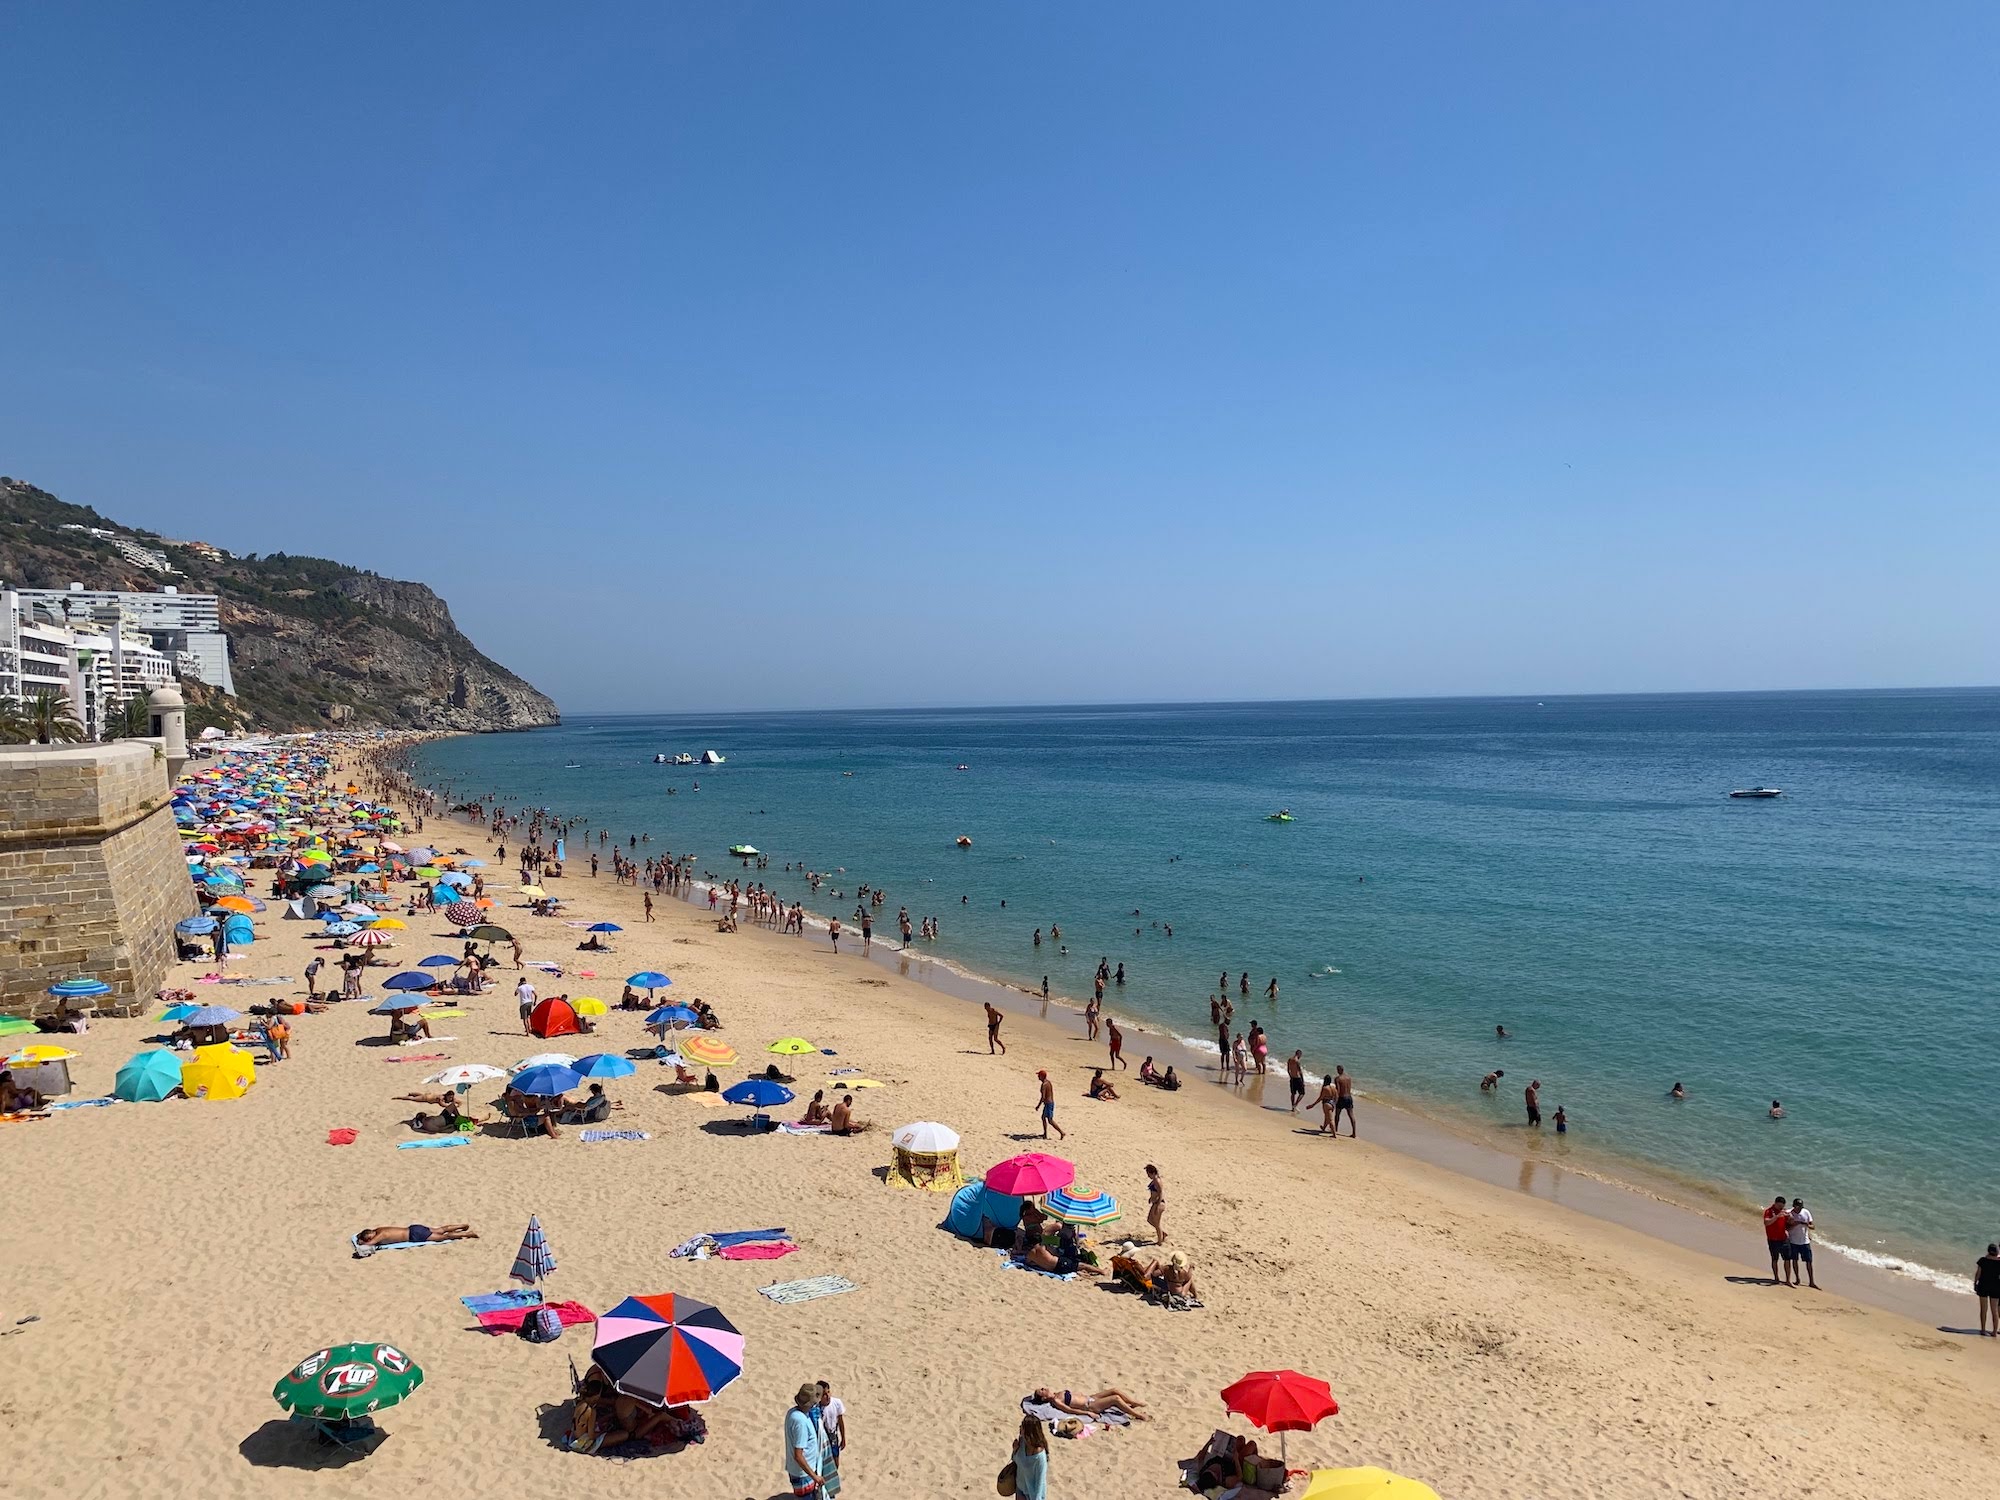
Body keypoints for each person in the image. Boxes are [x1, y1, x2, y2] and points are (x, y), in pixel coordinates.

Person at [784, 1382, 826, 1496]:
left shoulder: (792, 1412)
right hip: (803, 1475)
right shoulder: (800, 1422)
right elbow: (798, 1455)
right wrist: (814, 1476)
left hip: (801, 1472)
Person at [1031, 1386, 1150, 1419]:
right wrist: (1088, 1414)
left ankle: (1133, 1402)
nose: (1044, 1388)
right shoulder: (1056, 1401)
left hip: (1090, 1398)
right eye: (1042, 1391)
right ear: (1043, 1398)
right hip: (1090, 1406)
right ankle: (1137, 1415)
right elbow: (1069, 1410)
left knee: (1114, 1390)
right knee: (1115, 1399)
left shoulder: (1056, 1394)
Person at [816, 1380, 847, 1493]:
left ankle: (831, 1484)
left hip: (833, 1435)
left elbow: (840, 1421)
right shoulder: (817, 1408)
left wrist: (843, 1438)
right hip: (822, 1438)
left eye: (828, 1392)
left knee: (835, 1460)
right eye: (824, 1394)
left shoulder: (836, 1403)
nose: (827, 1396)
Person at [1011, 1414, 1049, 1500]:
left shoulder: (1040, 1457)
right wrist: (1015, 1450)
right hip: (1020, 1488)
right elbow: (1015, 1460)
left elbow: (1040, 1481)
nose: (1020, 1427)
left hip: (1032, 1495)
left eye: (1023, 1426)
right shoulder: (1022, 1442)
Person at [1786, 1198, 1818, 1289]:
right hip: (1793, 1241)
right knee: (1794, 1260)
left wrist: (1807, 1225)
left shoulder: (1806, 1212)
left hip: (1804, 1241)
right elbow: (1786, 1227)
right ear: (1794, 1206)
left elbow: (1813, 1226)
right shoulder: (1789, 1213)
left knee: (1809, 1261)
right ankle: (1797, 1279)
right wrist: (1794, 1224)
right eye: (1797, 1207)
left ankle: (1811, 1281)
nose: (1799, 1208)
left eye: (1800, 1207)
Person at [355, 1224, 477, 1245]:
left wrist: (362, 1242)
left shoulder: (382, 1234)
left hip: (414, 1236)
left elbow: (371, 1243)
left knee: (442, 1237)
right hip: (413, 1228)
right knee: (440, 1230)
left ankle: (468, 1234)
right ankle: (462, 1226)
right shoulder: (380, 1229)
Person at [1763, 1195, 1790, 1283]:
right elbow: (1766, 1223)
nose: (1781, 1208)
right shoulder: (1769, 1211)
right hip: (1773, 1239)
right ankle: (1776, 1277)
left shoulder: (1784, 1211)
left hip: (1783, 1238)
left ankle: (1788, 1280)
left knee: (1787, 1259)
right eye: (1779, 1206)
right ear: (1775, 1204)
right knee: (1775, 1259)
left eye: (1782, 1206)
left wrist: (1790, 1217)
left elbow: (1789, 1224)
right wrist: (1777, 1216)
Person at [1975, 1243, 2000, 1338]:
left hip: (1983, 1285)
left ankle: (1983, 1329)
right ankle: (1994, 1332)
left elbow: (1978, 1274)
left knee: (1983, 1309)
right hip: (1996, 1287)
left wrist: (1975, 1283)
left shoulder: (1982, 1260)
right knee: (1995, 1310)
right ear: (1997, 1252)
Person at [1036, 1069, 1066, 1141]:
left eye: (1039, 1075)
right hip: (1049, 1103)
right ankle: (1045, 1134)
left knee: (1050, 1120)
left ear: (1042, 1076)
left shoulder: (1044, 1085)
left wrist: (1038, 1106)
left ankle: (1062, 1132)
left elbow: (1043, 1097)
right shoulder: (1048, 1082)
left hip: (1049, 1104)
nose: (1038, 1077)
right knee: (1043, 1117)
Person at [1332, 1065, 1356, 1137]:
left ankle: (1335, 1130)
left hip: (1341, 1098)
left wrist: (1335, 1099)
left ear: (1338, 1070)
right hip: (1349, 1097)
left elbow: (1338, 1090)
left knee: (1337, 1114)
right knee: (1351, 1115)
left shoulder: (1337, 1079)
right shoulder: (1349, 1078)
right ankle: (1354, 1132)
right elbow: (1349, 1088)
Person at [1145, 1163, 1166, 1245]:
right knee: (1149, 1220)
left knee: (1157, 1224)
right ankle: (1162, 1233)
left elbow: (1160, 1194)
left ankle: (1160, 1242)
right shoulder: (1154, 1180)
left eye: (1148, 1174)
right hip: (1155, 1203)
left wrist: (1157, 1206)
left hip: (1159, 1203)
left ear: (1153, 1173)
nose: (1148, 1176)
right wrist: (1151, 1198)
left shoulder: (1157, 1181)